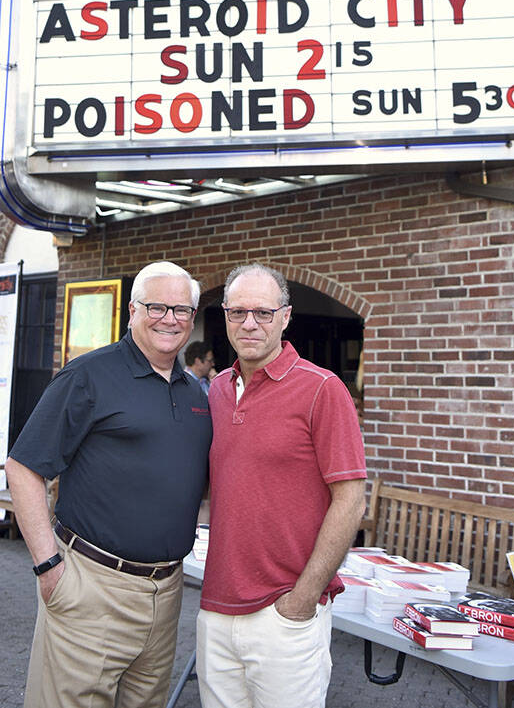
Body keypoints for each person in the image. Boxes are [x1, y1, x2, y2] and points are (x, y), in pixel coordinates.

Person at [6, 261, 212, 708]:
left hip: (167, 592)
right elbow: (23, 467)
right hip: (91, 586)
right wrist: (47, 567)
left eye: (181, 309)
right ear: (133, 311)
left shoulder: (197, 394)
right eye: (157, 306)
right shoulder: (89, 376)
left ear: (192, 318)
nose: (169, 318)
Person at [196, 262, 367, 708]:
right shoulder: (216, 390)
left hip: (284, 611)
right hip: (216, 607)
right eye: (237, 312)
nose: (249, 323)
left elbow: (350, 501)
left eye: (263, 313)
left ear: (285, 317)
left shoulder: (322, 390)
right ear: (225, 317)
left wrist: (304, 597)